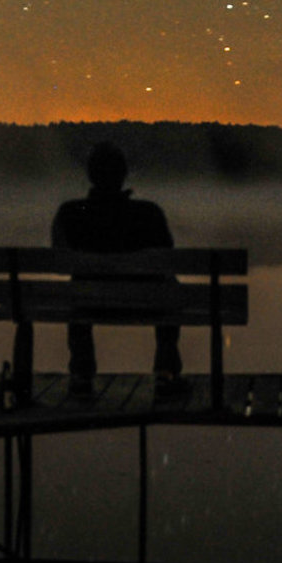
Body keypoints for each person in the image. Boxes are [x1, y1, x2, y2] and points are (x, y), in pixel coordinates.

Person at [51, 141, 182, 396]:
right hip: (145, 301)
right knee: (171, 287)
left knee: (76, 290)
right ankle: (166, 372)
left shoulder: (69, 213)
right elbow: (168, 259)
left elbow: (59, 260)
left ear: (90, 175)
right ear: (123, 174)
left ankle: (81, 374)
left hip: (89, 302)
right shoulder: (149, 213)